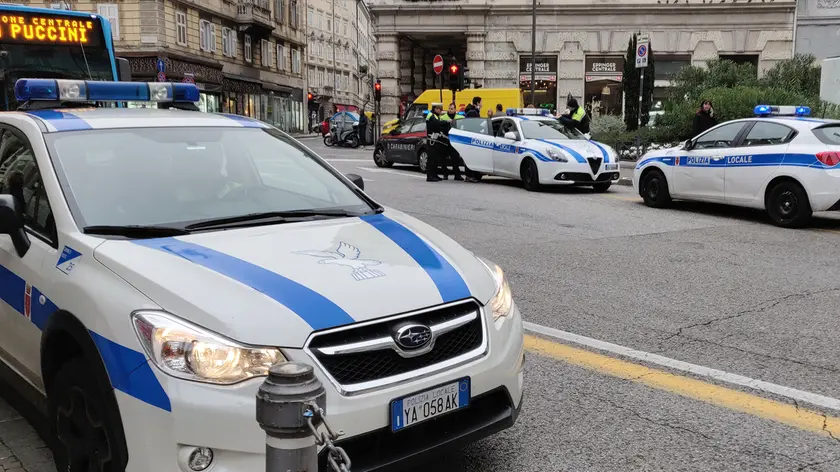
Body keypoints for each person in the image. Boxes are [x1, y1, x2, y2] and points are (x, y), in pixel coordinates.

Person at [438, 103, 463, 181]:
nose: (450, 110)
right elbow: (440, 128)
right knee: (443, 158)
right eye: (449, 108)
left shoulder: (460, 117)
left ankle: (457, 175)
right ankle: (445, 174)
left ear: (455, 109)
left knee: (455, 158)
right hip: (445, 139)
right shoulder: (443, 117)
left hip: (455, 141)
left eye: (452, 109)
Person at [425, 103, 449, 182]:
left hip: (436, 139)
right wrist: (446, 122)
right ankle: (430, 176)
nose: (440, 110)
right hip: (432, 140)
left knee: (435, 159)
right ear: (435, 108)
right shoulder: (430, 115)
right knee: (431, 159)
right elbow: (437, 124)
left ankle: (434, 174)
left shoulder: (436, 116)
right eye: (439, 109)